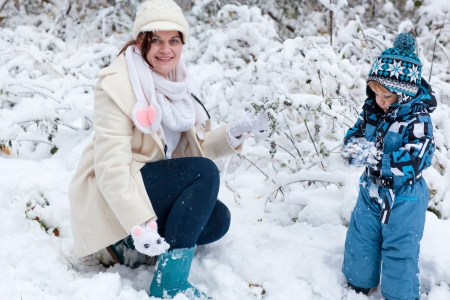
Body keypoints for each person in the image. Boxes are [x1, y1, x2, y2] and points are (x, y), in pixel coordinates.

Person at [68, 0, 268, 299]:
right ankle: (169, 282)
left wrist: (235, 131)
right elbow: (112, 168)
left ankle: (129, 250)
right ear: (141, 41)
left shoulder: (179, 84)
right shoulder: (117, 85)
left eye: (174, 40)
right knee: (204, 174)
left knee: (217, 219)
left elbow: (190, 150)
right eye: (156, 40)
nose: (166, 49)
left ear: (182, 43)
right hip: (115, 191)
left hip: (148, 184)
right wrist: (139, 220)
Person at [340, 31, 436, 300]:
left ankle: (399, 295)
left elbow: (418, 158)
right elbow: (352, 138)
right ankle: (358, 285)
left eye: (386, 96)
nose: (379, 100)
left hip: (404, 198)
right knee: (362, 239)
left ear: (404, 95)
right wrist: (356, 149)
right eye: (375, 92)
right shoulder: (372, 110)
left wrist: (377, 158)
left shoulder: (418, 120)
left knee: (400, 251)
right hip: (370, 190)